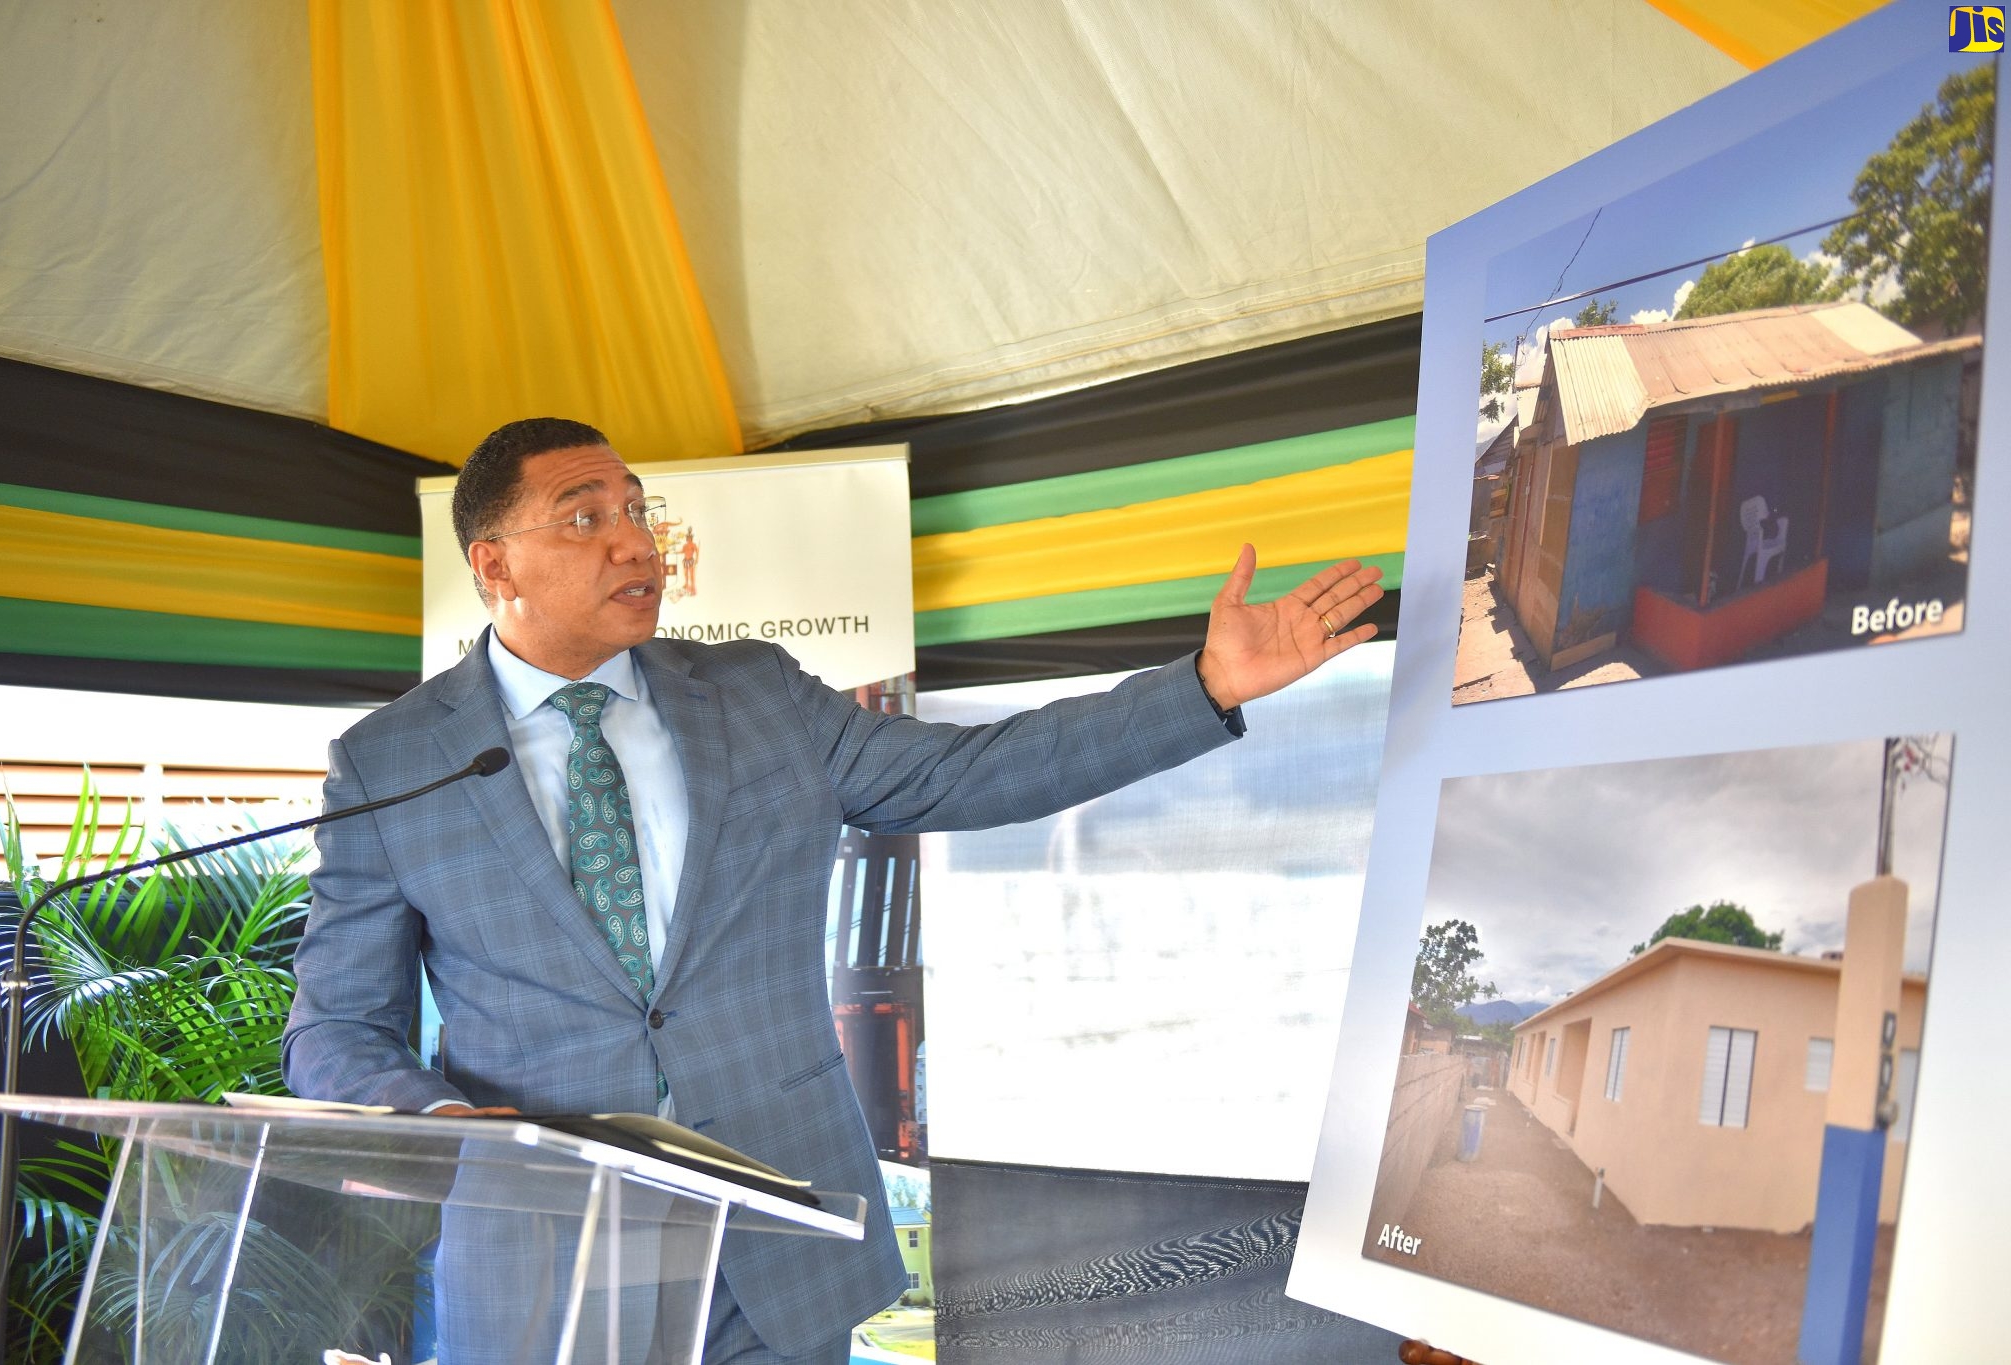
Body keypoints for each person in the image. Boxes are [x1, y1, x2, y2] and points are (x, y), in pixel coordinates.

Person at [282, 417, 1382, 1364]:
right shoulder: (391, 760)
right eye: (583, 517)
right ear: (493, 567)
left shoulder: (756, 694)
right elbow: (333, 1028)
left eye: (637, 510)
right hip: (544, 1263)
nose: (634, 542)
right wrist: (430, 1117)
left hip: (773, 1241)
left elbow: (967, 773)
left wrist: (1204, 688)